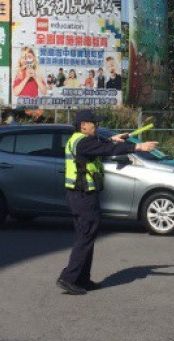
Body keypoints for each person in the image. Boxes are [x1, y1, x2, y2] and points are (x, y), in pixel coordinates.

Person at [57, 109, 159, 295]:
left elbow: (100, 144)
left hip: (79, 195)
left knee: (86, 236)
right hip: (82, 196)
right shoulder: (84, 143)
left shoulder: (78, 140)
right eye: (94, 123)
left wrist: (112, 139)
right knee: (86, 236)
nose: (97, 126)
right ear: (83, 125)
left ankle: (82, 279)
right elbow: (105, 150)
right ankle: (69, 277)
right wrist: (137, 147)